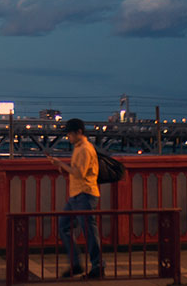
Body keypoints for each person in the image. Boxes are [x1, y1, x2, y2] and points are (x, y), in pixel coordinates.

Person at [47, 118, 103, 279]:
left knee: (88, 231)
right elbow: (77, 170)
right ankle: (77, 264)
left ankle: (97, 266)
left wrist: (61, 164)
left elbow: (79, 173)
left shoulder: (85, 149)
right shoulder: (79, 148)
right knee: (66, 227)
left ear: (79, 132)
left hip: (85, 194)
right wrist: (63, 166)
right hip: (77, 195)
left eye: (70, 134)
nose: (68, 137)